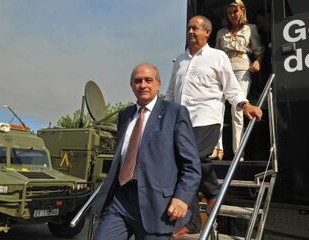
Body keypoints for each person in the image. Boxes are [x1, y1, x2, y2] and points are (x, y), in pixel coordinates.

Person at [166, 15, 262, 238]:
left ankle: (206, 200)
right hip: (181, 120)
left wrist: (245, 104)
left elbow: (231, 87)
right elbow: (171, 92)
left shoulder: (218, 57)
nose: (190, 32)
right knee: (183, 164)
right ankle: (201, 208)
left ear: (207, 32)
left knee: (194, 159)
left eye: (195, 28)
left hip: (207, 118)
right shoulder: (180, 60)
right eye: (189, 28)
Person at [92, 63, 202, 240]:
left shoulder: (174, 113)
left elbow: (192, 165)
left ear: (158, 84)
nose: (143, 85)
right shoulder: (125, 115)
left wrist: (182, 197)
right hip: (121, 200)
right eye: (138, 81)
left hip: (157, 206)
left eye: (148, 80)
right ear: (132, 86)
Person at [214, 0, 265, 160]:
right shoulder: (221, 32)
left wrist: (258, 61)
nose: (232, 15)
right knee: (217, 106)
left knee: (237, 108)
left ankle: (238, 152)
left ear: (242, 11)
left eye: (235, 11)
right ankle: (218, 148)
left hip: (242, 68)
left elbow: (259, 50)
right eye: (229, 13)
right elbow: (215, 54)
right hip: (223, 69)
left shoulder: (251, 29)